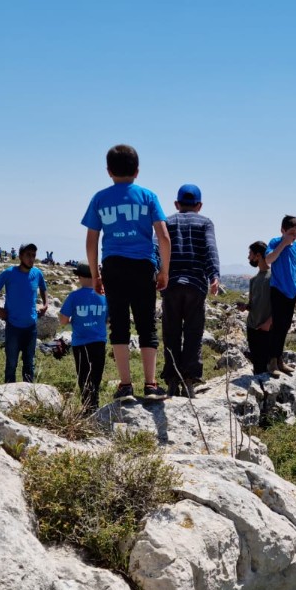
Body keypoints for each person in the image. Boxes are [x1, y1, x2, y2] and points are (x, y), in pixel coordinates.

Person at [82, 144, 171, 401]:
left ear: (109, 171)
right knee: (146, 325)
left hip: (113, 266)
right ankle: (151, 385)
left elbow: (91, 240)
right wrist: (164, 270)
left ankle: (125, 385)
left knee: (119, 325)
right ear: (138, 171)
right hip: (143, 266)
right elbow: (163, 237)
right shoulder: (148, 196)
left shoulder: (100, 198)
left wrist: (96, 275)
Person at [160, 183, 220, 396]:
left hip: (171, 284)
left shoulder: (167, 221)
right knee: (194, 334)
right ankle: (189, 382)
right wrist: (214, 275)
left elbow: (157, 248)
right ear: (199, 205)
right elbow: (210, 248)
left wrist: (157, 274)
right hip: (196, 285)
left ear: (177, 204)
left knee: (171, 333)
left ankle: (171, 381)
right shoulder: (205, 223)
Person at [0, 242, 48, 384]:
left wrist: (46, 304)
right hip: (13, 326)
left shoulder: (37, 273)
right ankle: (9, 395)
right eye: (28, 255)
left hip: (31, 327)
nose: (31, 259)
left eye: (33, 255)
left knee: (29, 364)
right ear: (20, 256)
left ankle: (28, 397)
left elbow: (43, 287)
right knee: (11, 364)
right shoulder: (10, 273)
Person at [59, 263, 108, 411]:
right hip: (99, 342)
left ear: (79, 277)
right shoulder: (104, 296)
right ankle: (95, 404)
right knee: (96, 375)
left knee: (83, 375)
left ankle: (87, 407)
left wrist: (72, 320)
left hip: (80, 343)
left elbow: (63, 320)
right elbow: (109, 319)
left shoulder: (74, 296)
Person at [265, 215, 296, 374]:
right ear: (282, 230)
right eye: (291, 232)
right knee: (276, 327)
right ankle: (272, 362)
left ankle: (279, 360)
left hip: (292, 292)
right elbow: (269, 259)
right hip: (277, 290)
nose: (294, 235)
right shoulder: (275, 242)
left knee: (284, 327)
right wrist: (283, 243)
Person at [245, 242, 273, 375]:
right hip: (252, 327)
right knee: (257, 367)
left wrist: (269, 323)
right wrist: (245, 307)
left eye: (250, 254)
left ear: (258, 255)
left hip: (266, 329)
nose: (248, 257)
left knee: (265, 368)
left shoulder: (274, 277)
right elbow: (252, 304)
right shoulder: (254, 280)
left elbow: (280, 305)